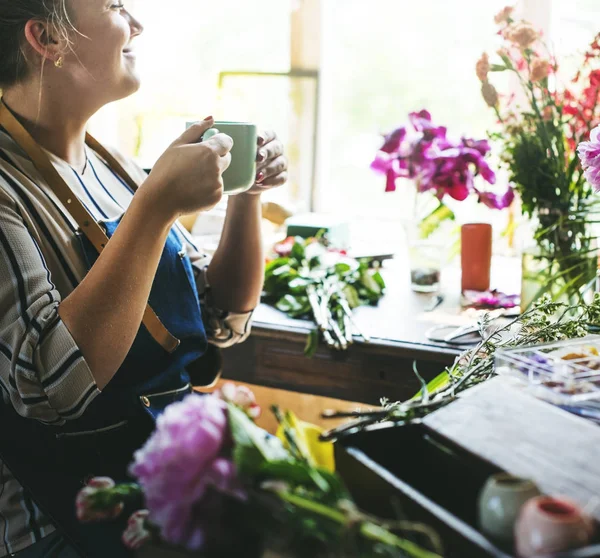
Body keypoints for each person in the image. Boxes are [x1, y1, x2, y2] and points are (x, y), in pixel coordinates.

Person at [0, 0, 288, 556]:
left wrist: (245, 198)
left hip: (158, 494)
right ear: (46, 38)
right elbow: (48, 390)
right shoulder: (7, 187)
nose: (137, 24)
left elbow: (219, 320)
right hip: (60, 522)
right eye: (114, 5)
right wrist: (155, 209)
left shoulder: (118, 167)